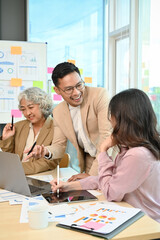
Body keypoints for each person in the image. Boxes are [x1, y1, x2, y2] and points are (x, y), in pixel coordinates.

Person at [50, 88, 160, 223]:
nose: (109, 119)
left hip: (146, 224)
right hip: (134, 216)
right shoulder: (135, 148)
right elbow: (106, 181)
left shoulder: (137, 155)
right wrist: (68, 186)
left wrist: (103, 151)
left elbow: (110, 192)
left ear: (122, 119)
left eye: (112, 114)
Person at [24, 62, 114, 180]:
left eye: (79, 85)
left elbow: (106, 137)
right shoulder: (58, 111)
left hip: (112, 160)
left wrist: (91, 176)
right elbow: (59, 145)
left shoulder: (99, 95)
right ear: (57, 90)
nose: (76, 92)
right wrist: (45, 151)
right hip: (90, 162)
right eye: (69, 89)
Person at [0, 87, 61, 175]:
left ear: (43, 105)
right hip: (16, 176)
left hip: (41, 177)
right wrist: (7, 139)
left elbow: (49, 162)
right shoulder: (18, 126)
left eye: (31, 107)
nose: (27, 113)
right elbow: (11, 157)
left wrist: (17, 168)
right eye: (23, 109)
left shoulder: (57, 128)